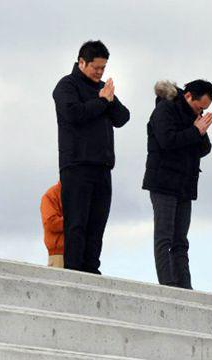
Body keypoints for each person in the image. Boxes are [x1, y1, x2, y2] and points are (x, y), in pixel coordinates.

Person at [52, 40, 130, 273]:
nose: (99, 72)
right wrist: (102, 101)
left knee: (98, 223)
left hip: (103, 166)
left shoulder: (103, 88)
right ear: (81, 62)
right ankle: (74, 270)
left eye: (103, 68)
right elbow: (74, 114)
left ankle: (92, 269)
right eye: (96, 67)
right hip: (76, 165)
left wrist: (109, 99)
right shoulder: (66, 86)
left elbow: (123, 118)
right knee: (77, 223)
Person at [142, 80, 212, 289]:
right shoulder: (165, 109)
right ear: (189, 96)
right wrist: (194, 131)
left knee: (181, 240)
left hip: (185, 184)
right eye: (199, 106)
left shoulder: (195, 118)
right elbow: (167, 141)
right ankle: (167, 283)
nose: (201, 111)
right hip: (163, 182)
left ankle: (184, 286)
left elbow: (205, 148)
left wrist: (198, 131)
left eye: (205, 109)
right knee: (164, 236)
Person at [41, 182, 64, 268]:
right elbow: (51, 223)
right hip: (59, 255)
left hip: (81, 252)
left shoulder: (83, 193)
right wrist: (76, 220)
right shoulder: (51, 195)